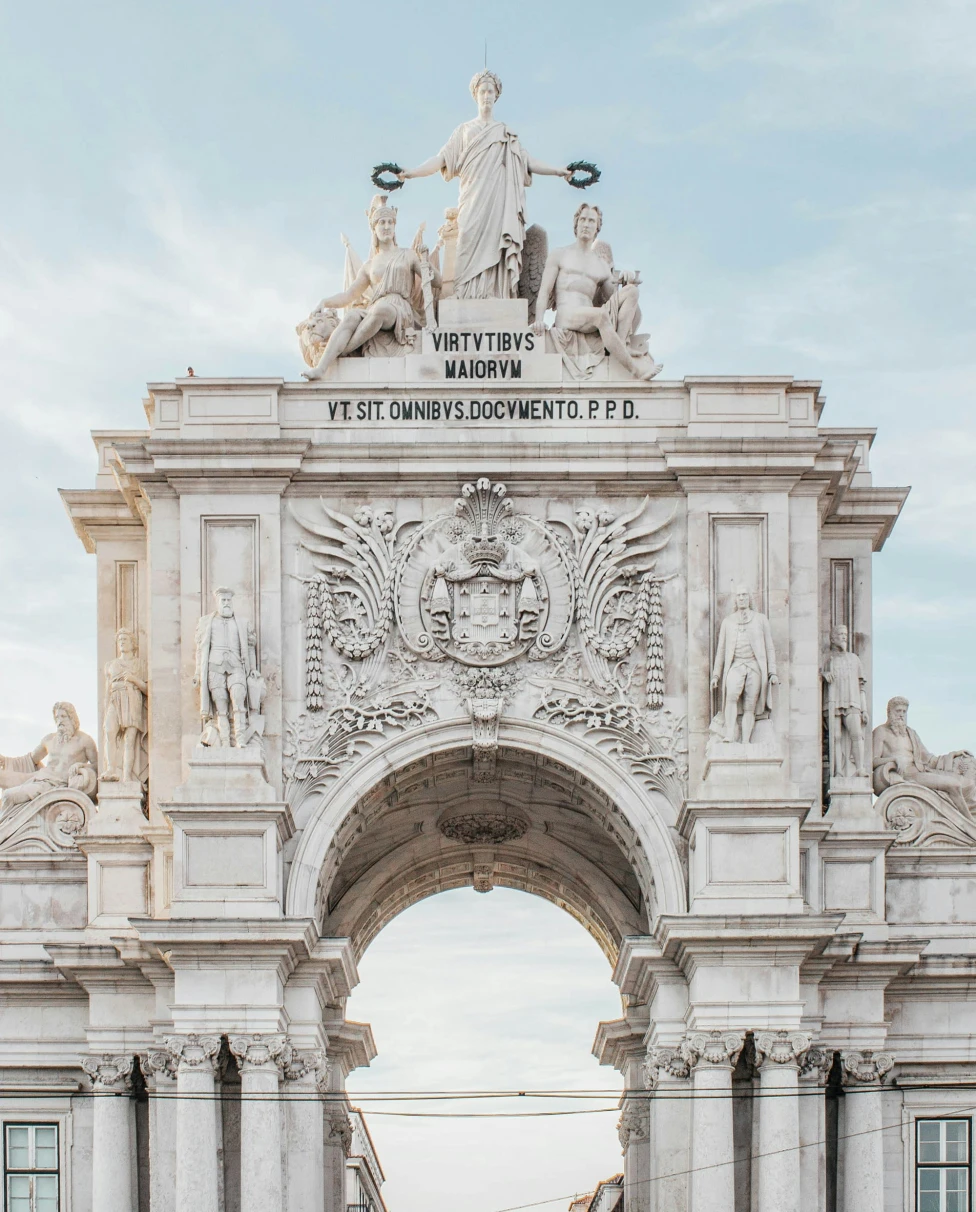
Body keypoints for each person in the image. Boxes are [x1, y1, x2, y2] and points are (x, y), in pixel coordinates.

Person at [395, 70, 571, 300]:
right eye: (483, 91)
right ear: (475, 95)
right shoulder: (464, 131)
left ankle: (495, 294)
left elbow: (527, 161)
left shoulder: (505, 134)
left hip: (498, 200)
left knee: (497, 245)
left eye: (491, 91)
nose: (486, 95)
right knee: (466, 242)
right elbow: (441, 159)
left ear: (496, 95)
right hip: (472, 199)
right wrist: (412, 173)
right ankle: (467, 294)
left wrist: (559, 171)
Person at [302, 197, 432, 380]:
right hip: (376, 308)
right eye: (382, 223)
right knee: (352, 316)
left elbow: (436, 281)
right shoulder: (369, 265)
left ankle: (344, 350)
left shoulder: (408, 255)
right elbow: (350, 295)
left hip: (399, 311)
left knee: (380, 309)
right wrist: (325, 301)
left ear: (394, 227)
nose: (386, 227)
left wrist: (427, 267)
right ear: (374, 229)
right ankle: (322, 368)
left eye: (390, 222)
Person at [532, 203, 661, 381]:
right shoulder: (560, 254)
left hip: (591, 316)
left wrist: (626, 280)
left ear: (597, 228)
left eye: (591, 221)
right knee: (600, 315)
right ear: (576, 225)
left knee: (631, 292)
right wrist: (539, 320)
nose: (586, 224)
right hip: (567, 315)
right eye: (583, 219)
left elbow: (613, 298)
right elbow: (544, 292)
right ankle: (634, 369)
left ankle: (621, 344)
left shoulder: (601, 264)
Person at [873, 696, 976, 815]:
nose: (901, 715)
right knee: (953, 785)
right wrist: (893, 759)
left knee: (965, 783)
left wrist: (953, 755)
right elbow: (873, 761)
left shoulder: (911, 733)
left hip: (920, 770)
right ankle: (968, 824)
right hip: (905, 775)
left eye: (904, 711)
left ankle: (969, 819)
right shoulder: (881, 732)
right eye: (898, 711)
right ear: (890, 712)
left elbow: (929, 759)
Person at [0, 703, 98, 814]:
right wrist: (5, 760)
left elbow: (98, 765)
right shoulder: (49, 739)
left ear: (72, 718)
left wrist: (81, 765)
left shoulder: (84, 740)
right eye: (57, 717)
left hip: (55, 785)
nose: (59, 720)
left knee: (8, 795)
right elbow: (30, 759)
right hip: (38, 778)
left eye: (63, 716)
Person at [711, 587, 779, 744]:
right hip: (736, 665)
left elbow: (769, 647)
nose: (741, 598)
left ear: (750, 598)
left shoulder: (761, 619)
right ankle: (729, 734)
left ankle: (746, 741)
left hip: (754, 666)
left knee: (750, 705)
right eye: (739, 595)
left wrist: (772, 672)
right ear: (735, 599)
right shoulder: (728, 622)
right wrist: (716, 675)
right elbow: (721, 650)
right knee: (731, 696)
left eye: (744, 594)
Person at [193, 588, 260, 747]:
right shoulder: (206, 622)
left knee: (238, 699)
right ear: (218, 602)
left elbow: (250, 647)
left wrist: (253, 669)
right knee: (221, 706)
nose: (226, 603)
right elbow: (200, 650)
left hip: (237, 665)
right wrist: (197, 673)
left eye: (228, 600)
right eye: (223, 600)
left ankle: (241, 739)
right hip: (214, 667)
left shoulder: (242, 623)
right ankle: (224, 742)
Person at [102, 628, 148, 783]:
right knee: (109, 731)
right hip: (115, 699)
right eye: (120, 640)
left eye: (125, 639)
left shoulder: (140, 664)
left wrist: (134, 679)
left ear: (132, 643)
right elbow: (107, 690)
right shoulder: (111, 665)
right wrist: (106, 707)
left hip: (132, 697)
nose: (122, 642)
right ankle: (111, 769)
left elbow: (147, 689)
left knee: (129, 739)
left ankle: (127, 775)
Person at [823, 624, 868, 778]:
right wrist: (824, 674)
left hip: (852, 701)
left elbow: (861, 687)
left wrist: (865, 709)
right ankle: (838, 771)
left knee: (856, 734)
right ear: (833, 638)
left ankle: (860, 768)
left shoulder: (854, 659)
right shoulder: (828, 659)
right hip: (833, 702)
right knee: (835, 737)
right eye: (840, 634)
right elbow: (820, 673)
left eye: (845, 634)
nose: (843, 637)